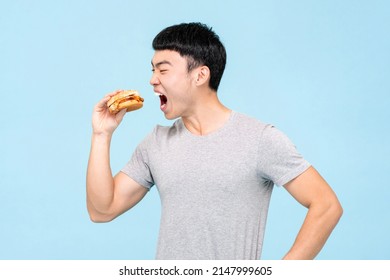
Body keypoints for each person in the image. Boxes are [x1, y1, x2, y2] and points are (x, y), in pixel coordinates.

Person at [86, 22, 343, 260]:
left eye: (163, 70)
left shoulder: (259, 139)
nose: (153, 79)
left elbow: (327, 205)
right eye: (153, 70)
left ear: (200, 75)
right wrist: (102, 134)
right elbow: (102, 210)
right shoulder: (155, 143)